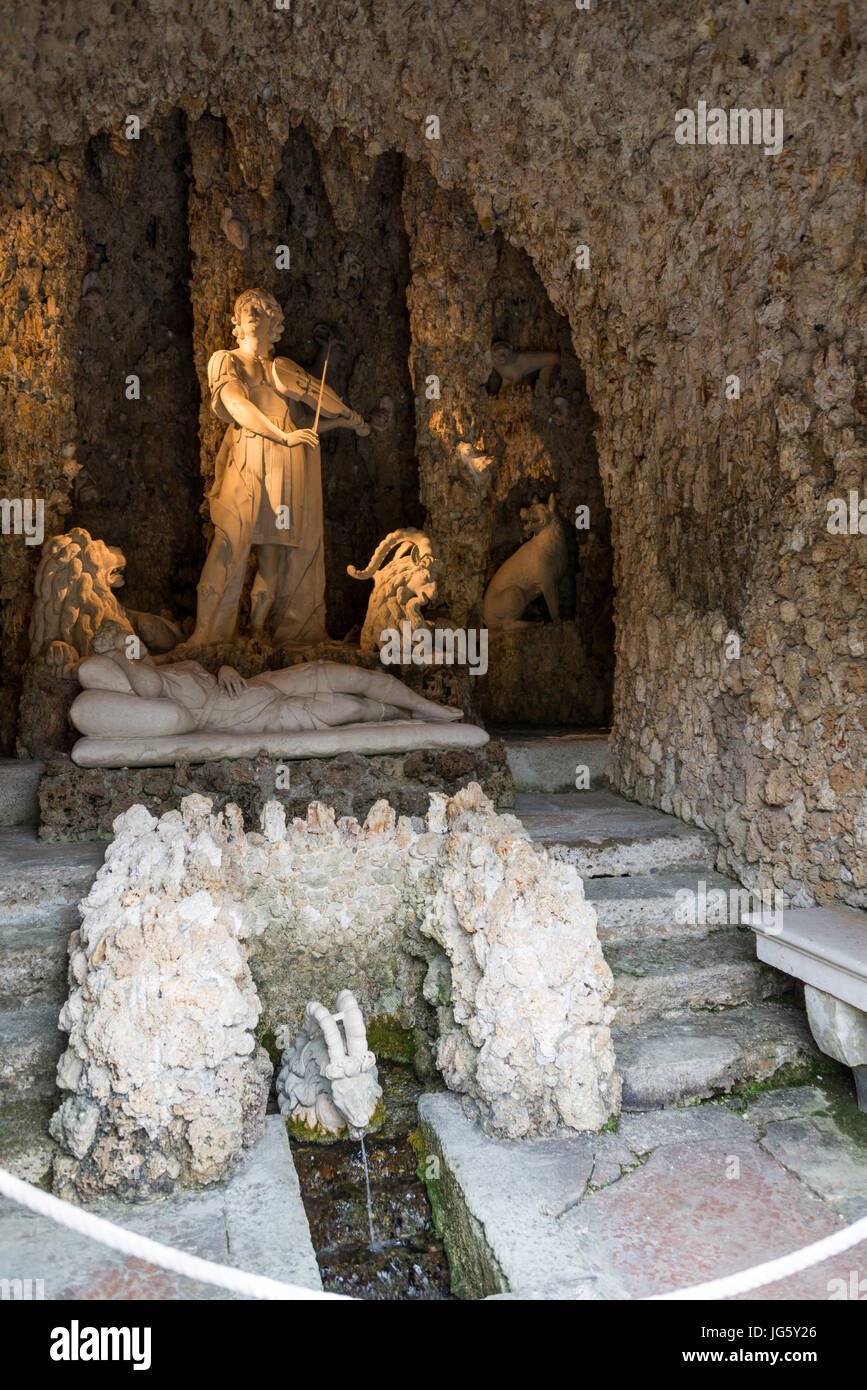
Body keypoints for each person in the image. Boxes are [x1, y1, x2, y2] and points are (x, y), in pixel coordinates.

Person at [187, 288, 368, 648]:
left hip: (286, 467)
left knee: (278, 554)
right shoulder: (226, 360)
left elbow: (306, 425)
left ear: (275, 324)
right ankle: (206, 635)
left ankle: (268, 634)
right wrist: (282, 437)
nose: (254, 312)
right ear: (236, 323)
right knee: (228, 543)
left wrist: (345, 420)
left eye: (263, 309)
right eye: (247, 309)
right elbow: (236, 405)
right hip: (251, 454)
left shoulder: (282, 372)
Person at [70, 621, 463, 739]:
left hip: (263, 682)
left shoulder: (174, 666)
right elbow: (148, 689)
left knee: (357, 675)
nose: (138, 646)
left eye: (133, 640)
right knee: (352, 707)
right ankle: (406, 717)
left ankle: (425, 707)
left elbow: (211, 670)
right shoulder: (151, 680)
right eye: (130, 645)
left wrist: (226, 669)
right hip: (250, 716)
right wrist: (123, 658)